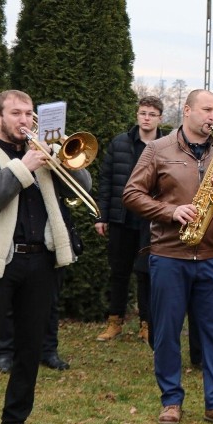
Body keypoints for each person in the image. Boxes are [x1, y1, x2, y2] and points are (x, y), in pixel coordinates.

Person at [123, 89, 213, 424]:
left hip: (212, 257)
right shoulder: (157, 149)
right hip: (169, 255)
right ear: (187, 110)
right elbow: (132, 194)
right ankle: (170, 401)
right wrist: (170, 210)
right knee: (166, 332)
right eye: (207, 110)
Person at [0, 90, 89, 424]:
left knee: (29, 349)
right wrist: (23, 166)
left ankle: (13, 423)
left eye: (29, 114)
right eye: (16, 113)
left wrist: (60, 156)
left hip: (40, 262)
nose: (25, 120)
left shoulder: (43, 152)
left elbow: (83, 185)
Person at [94, 96, 164, 343]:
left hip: (152, 220)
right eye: (142, 113)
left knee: (146, 274)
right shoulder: (119, 143)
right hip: (122, 219)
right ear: (137, 115)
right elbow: (106, 181)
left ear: (159, 118)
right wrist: (102, 215)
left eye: (151, 114)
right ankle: (115, 322)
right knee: (119, 272)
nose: (146, 118)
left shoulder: (168, 144)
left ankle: (147, 325)